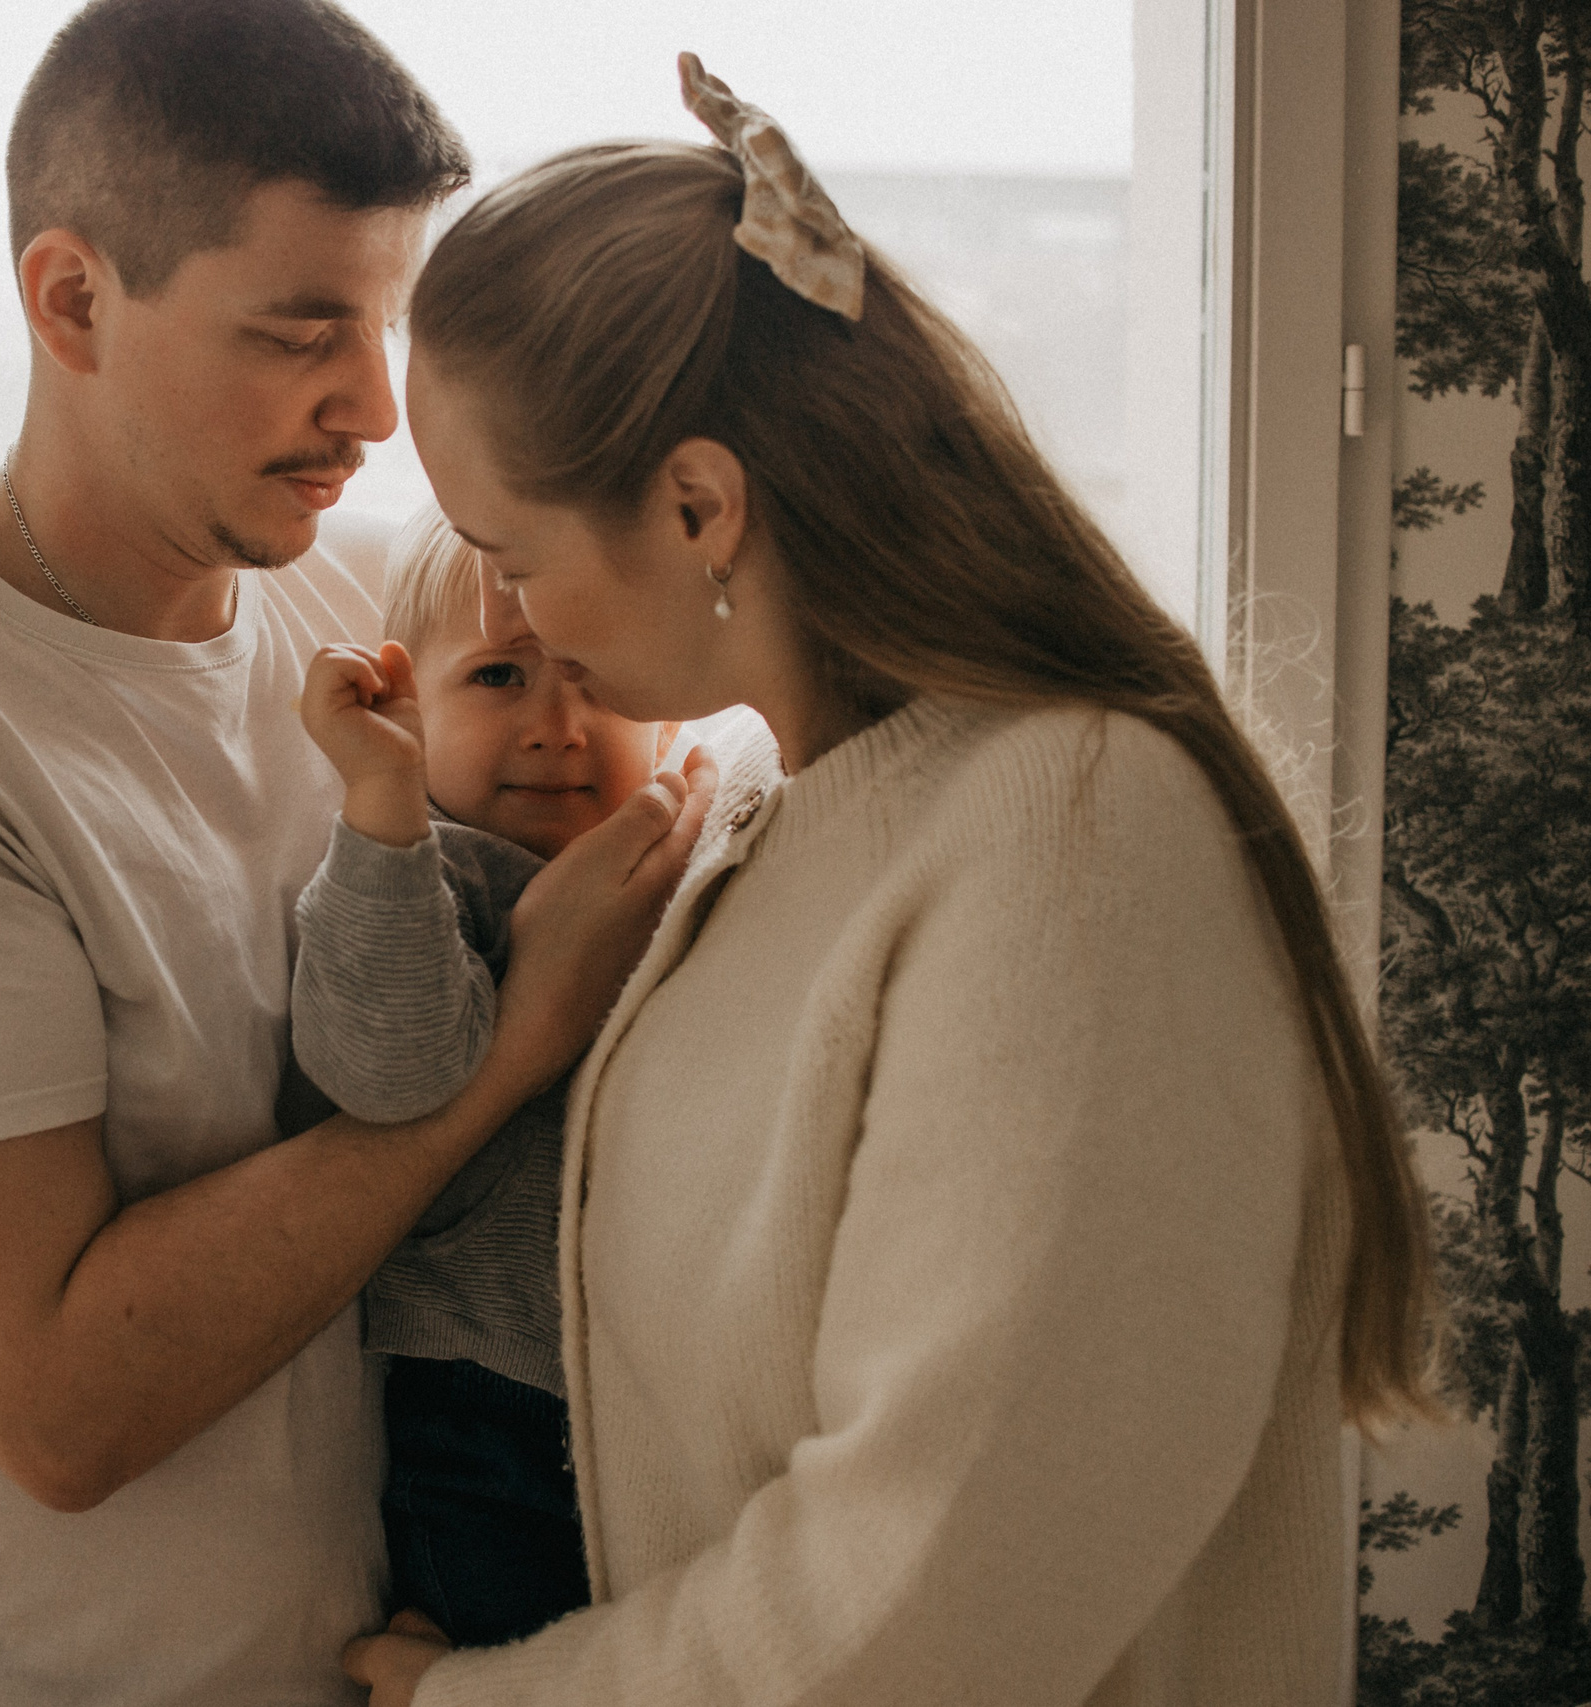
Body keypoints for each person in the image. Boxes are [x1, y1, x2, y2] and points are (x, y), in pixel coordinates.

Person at [345, 53, 1434, 1707]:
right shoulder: (767, 818)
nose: (519, 616)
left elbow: (938, 1598)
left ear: (700, 504)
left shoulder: (1074, 831)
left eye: (516, 554)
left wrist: (484, 1698)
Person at [0, 4, 711, 1702]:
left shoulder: (365, 604)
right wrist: (519, 1034)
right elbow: (66, 1406)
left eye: (387, 325)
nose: (373, 406)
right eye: (301, 330)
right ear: (73, 299)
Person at [284, 507, 680, 1648]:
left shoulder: (683, 842)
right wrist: (382, 798)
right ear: (411, 701)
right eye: (501, 676)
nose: (559, 728)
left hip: (660, 1399)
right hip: (488, 1407)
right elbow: (391, 1070)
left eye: (594, 678)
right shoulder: (423, 869)